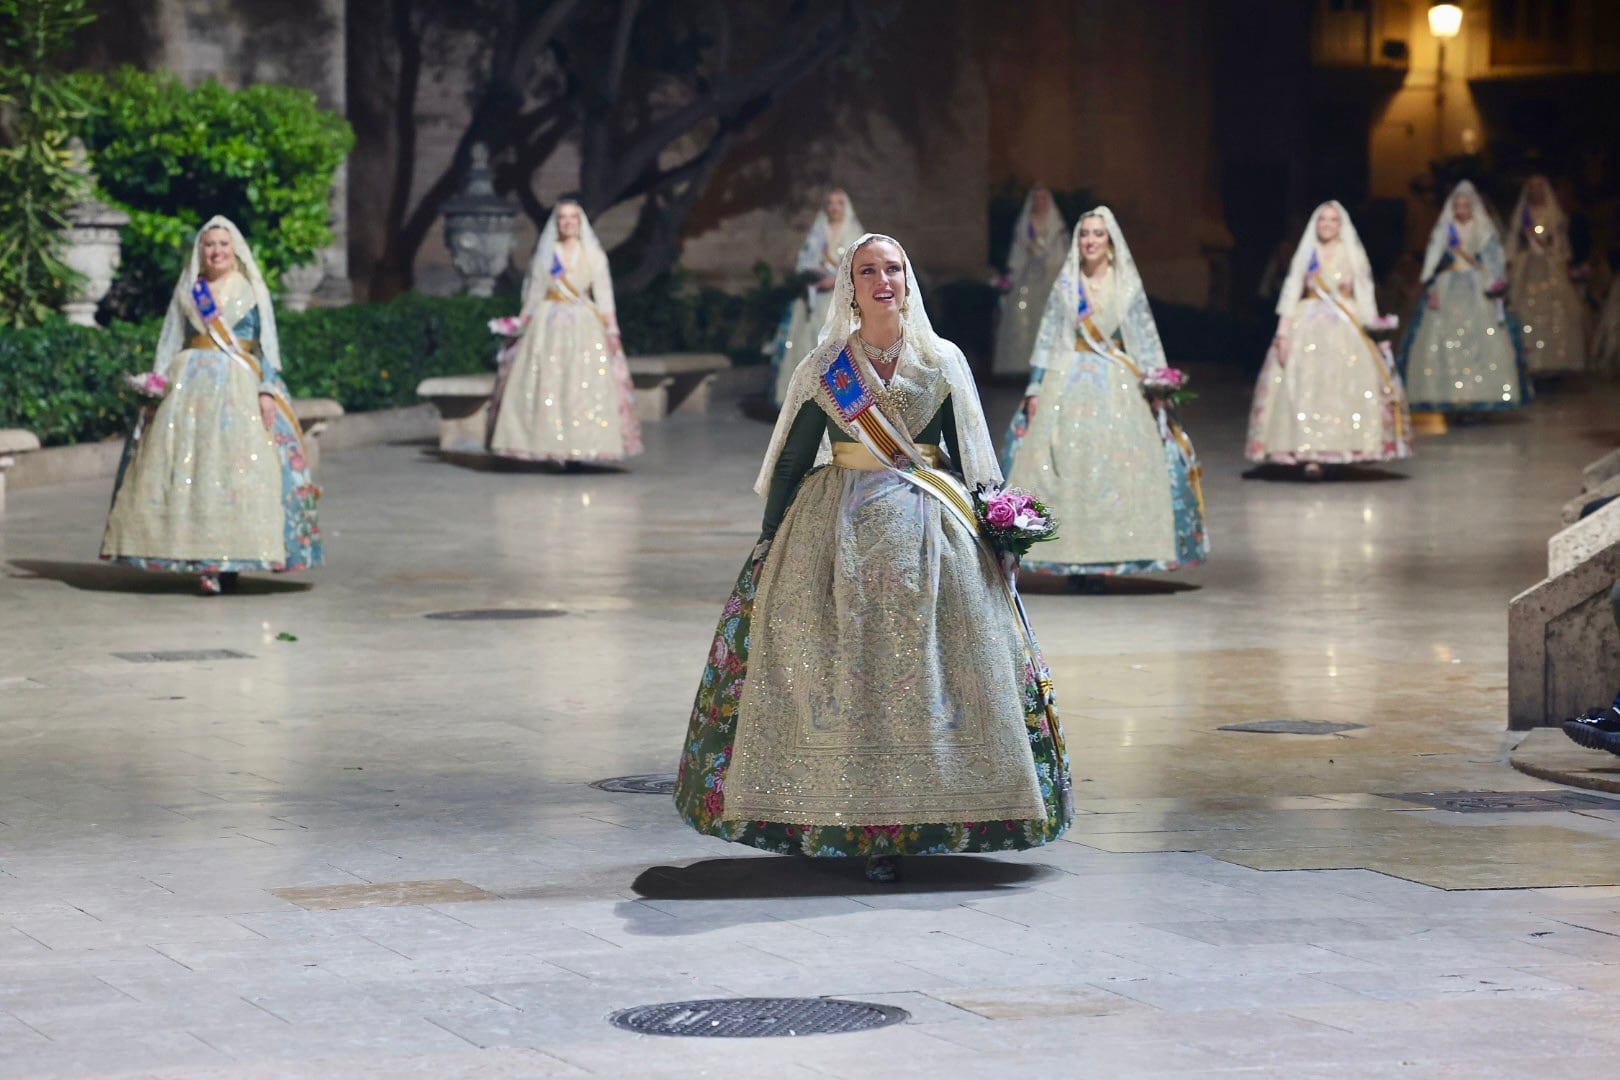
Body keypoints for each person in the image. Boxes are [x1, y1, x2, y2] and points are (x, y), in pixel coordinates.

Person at [674, 233, 1073, 884]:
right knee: (840, 671)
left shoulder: (942, 361)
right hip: (837, 533)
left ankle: (939, 812)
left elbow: (970, 453)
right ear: (850, 288)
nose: (882, 279)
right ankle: (849, 819)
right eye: (868, 271)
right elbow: (794, 460)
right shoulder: (826, 366)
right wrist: (770, 539)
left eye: (892, 268)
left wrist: (999, 532)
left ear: (907, 281)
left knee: (935, 673)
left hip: (933, 535)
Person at [101, 216, 321, 595]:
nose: (216, 251)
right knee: (193, 473)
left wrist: (267, 390)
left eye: (223, 244)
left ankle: (231, 559)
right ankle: (202, 561)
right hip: (189, 390)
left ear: (234, 249)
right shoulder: (191, 291)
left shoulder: (249, 290)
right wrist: (155, 389)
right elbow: (170, 339)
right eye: (209, 244)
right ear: (200, 250)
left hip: (240, 386)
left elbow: (266, 345)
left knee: (240, 473)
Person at [1002, 208, 1207, 579]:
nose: (1090, 241)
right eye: (1084, 234)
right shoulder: (1067, 286)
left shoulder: (1125, 285)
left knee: (1119, 468)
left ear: (1110, 243)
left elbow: (1144, 339)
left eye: (1098, 234)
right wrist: (1035, 387)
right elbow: (1049, 339)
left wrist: (1158, 384)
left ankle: (1109, 558)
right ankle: (1068, 556)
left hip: (1116, 384)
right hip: (1067, 378)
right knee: (1060, 464)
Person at [1246, 200, 1412, 476]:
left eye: (1333, 220)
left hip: (1346, 326)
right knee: (1306, 387)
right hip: (1307, 324)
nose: (1327, 225)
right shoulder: (1307, 252)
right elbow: (1291, 290)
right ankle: (1310, 453)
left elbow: (1364, 291)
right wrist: (1283, 334)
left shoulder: (1352, 253)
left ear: (1341, 225)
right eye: (1323, 219)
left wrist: (1376, 331)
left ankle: (1344, 448)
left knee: (1342, 387)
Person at [488, 199, 641, 463]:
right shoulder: (546, 255)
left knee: (582, 383)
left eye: (573, 217)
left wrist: (612, 331)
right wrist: (520, 324)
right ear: (557, 222)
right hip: (547, 325)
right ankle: (549, 447)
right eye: (562, 217)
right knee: (547, 383)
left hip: (584, 324)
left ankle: (582, 446)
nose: (567, 222)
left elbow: (604, 295)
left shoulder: (593, 255)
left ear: (580, 222)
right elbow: (535, 295)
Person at [1398, 181, 1528, 414]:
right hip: (1450, 283)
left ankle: (1481, 392)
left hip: (1477, 284)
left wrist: (1497, 280)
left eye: (1465, 206)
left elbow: (1493, 256)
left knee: (1482, 335)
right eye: (1457, 206)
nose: (1461, 211)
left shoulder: (1482, 228)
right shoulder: (1445, 229)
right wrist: (1427, 277)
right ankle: (1448, 392)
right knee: (1443, 335)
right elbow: (1434, 252)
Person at [767, 189, 863, 408]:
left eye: (839, 202)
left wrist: (836, 279)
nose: (834, 207)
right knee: (808, 346)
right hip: (815, 297)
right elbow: (805, 262)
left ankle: (844, 402)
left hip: (840, 300)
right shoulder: (819, 231)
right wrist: (813, 275)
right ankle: (808, 401)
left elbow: (860, 268)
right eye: (830, 203)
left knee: (839, 348)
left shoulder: (854, 233)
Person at [1506, 175, 1588, 378]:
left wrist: (1558, 258)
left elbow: (1560, 242)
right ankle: (1529, 360)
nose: (1536, 191)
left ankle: (1555, 360)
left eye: (1539, 187)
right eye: (1532, 188)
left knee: (1557, 308)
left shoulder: (1554, 215)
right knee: (1525, 307)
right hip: (1528, 265)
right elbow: (1514, 242)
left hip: (1549, 264)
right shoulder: (1523, 214)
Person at [991, 184, 1068, 378]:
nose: (1040, 203)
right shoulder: (1025, 222)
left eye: (1044, 199)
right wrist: (1014, 273)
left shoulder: (1056, 225)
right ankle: (1020, 366)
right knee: (1021, 312)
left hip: (1050, 277)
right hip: (1028, 275)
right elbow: (1018, 249)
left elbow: (1061, 252)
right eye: (1037, 199)